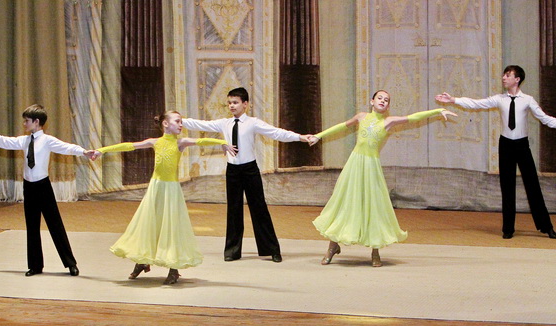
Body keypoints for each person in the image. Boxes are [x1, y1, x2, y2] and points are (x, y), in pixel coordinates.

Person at [309, 90, 456, 267]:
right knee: (345, 203)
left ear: (388, 106)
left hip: (371, 167)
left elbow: (413, 117)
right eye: (380, 98)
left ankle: (375, 251)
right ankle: (332, 247)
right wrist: (319, 136)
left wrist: (437, 111)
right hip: (355, 165)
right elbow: (341, 126)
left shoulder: (389, 121)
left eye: (386, 100)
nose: (383, 101)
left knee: (374, 207)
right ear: (372, 101)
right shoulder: (361, 116)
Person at [91, 110, 237, 284]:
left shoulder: (181, 142)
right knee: (149, 223)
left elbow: (201, 141)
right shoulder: (155, 142)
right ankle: (142, 260)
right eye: (177, 121)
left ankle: (173, 269)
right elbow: (129, 146)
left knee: (171, 226)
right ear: (165, 124)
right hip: (156, 188)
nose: (181, 124)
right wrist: (102, 150)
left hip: (171, 190)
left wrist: (222, 143)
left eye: (181, 121)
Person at [182, 87, 313, 263]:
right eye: (229, 103)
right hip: (233, 171)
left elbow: (276, 132)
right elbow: (200, 124)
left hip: (250, 170)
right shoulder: (224, 123)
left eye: (235, 102)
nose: (231, 106)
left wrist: (301, 137)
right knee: (233, 210)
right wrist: (179, 121)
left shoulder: (253, 123)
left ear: (245, 104)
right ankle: (232, 251)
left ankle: (272, 249)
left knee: (259, 209)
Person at [0, 104, 93, 277]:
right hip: (29, 187)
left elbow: (67, 147)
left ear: (36, 122)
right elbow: (5, 141)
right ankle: (35, 265)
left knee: (55, 224)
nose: (24, 124)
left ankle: (70, 263)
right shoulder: (25, 140)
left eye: (27, 121)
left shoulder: (47, 140)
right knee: (32, 226)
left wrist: (84, 152)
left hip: (43, 186)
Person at [436, 65, 556, 239]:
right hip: (506, 145)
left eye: (508, 75)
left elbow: (545, 119)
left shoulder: (528, 100)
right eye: (504, 75)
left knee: (533, 186)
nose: (504, 78)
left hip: (522, 146)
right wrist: (453, 100)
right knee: (507, 186)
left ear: (517, 79)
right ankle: (508, 229)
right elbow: (476, 103)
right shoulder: (499, 99)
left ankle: (546, 227)